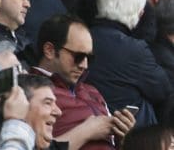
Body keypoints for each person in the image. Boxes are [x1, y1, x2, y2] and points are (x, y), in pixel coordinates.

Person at [29, 14, 137, 150]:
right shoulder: (29, 90)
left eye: (89, 58)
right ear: (49, 50)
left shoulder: (92, 91)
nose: (84, 65)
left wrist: (122, 138)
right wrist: (87, 131)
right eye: (78, 56)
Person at [87, 0, 171, 127]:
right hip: (127, 131)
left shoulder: (81, 37)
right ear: (139, 13)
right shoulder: (134, 49)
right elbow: (162, 90)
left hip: (86, 123)